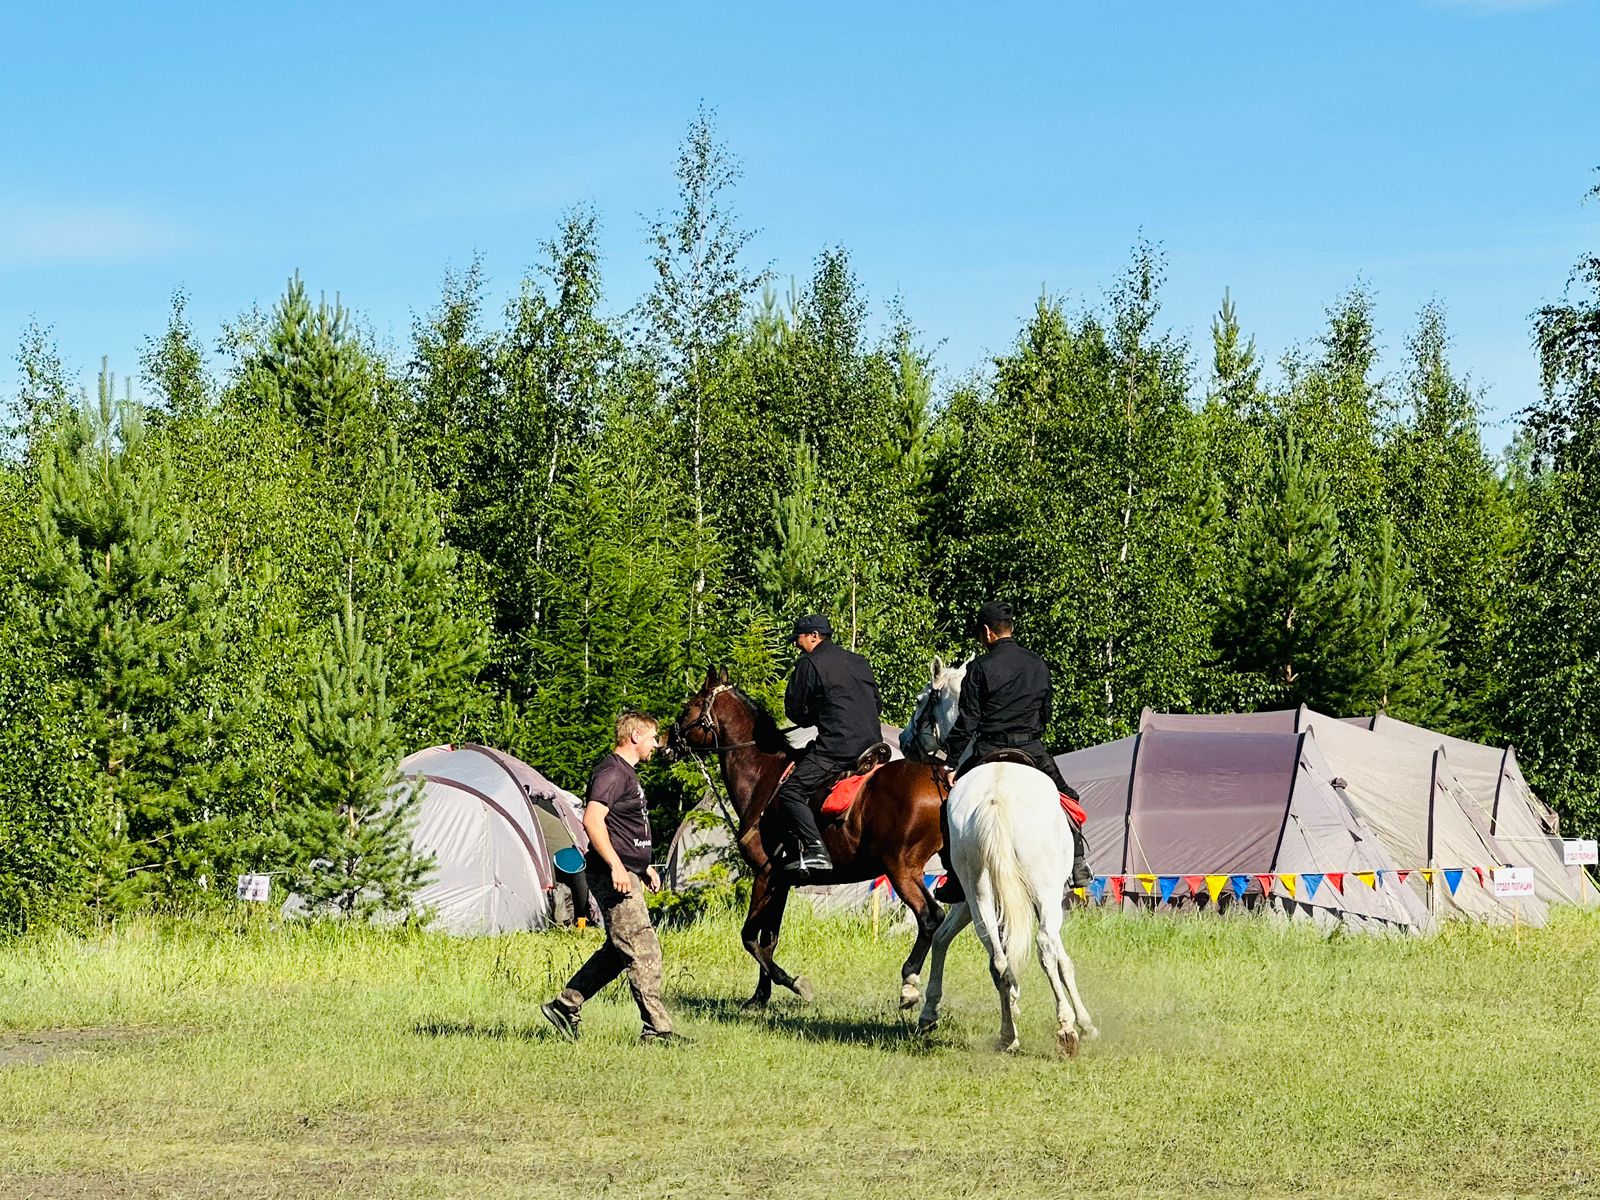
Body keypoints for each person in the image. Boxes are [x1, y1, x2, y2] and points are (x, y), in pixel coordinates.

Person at [541, 712, 690, 1046]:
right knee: (643, 950)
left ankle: (564, 1006)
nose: (656, 744)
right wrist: (617, 867)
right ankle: (658, 1030)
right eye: (653, 737)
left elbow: (623, 831)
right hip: (611, 875)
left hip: (624, 872)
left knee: (618, 951)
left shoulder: (626, 774)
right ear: (635, 735)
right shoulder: (612, 772)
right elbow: (593, 821)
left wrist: (642, 867)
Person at [936, 600, 1092, 900]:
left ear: (986, 632)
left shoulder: (979, 668)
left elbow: (968, 721)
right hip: (1031, 748)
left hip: (988, 748)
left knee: (950, 805)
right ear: (1010, 628)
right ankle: (1077, 863)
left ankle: (956, 877)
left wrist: (952, 762)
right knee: (1069, 799)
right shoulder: (1037, 663)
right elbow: (1045, 714)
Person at [776, 614, 882, 882]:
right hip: (875, 746)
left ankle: (815, 850)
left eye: (799, 639)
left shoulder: (809, 664)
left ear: (813, 636)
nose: (797, 645)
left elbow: (795, 712)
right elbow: (877, 705)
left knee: (791, 792)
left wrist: (816, 717)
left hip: (839, 749)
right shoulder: (859, 661)